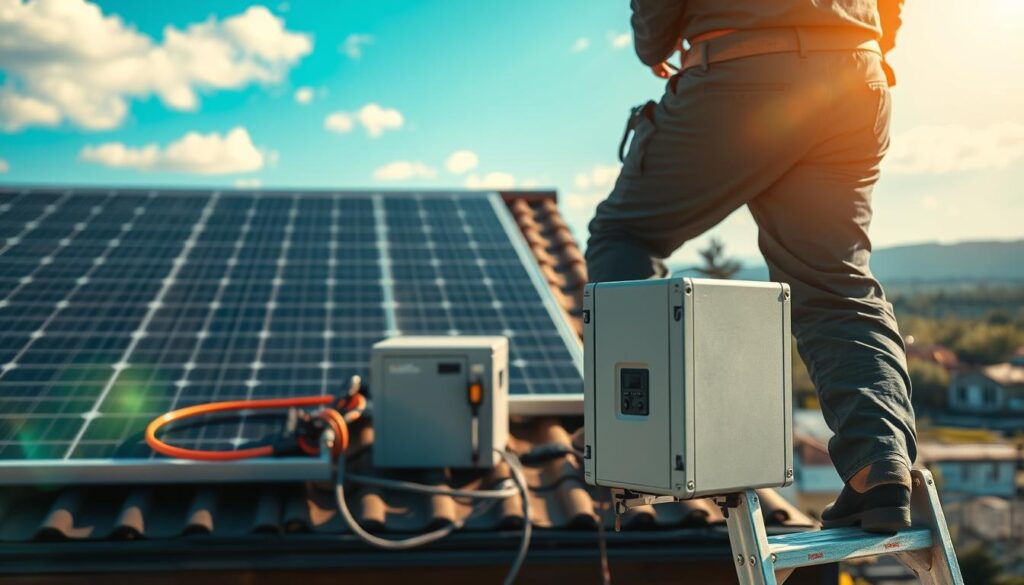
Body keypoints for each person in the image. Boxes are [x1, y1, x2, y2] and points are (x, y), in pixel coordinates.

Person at [585, 0, 915, 533]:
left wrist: (654, 43)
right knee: (836, 286)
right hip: (857, 76)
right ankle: (879, 468)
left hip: (740, 74)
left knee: (624, 234)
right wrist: (855, 40)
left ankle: (640, 439)